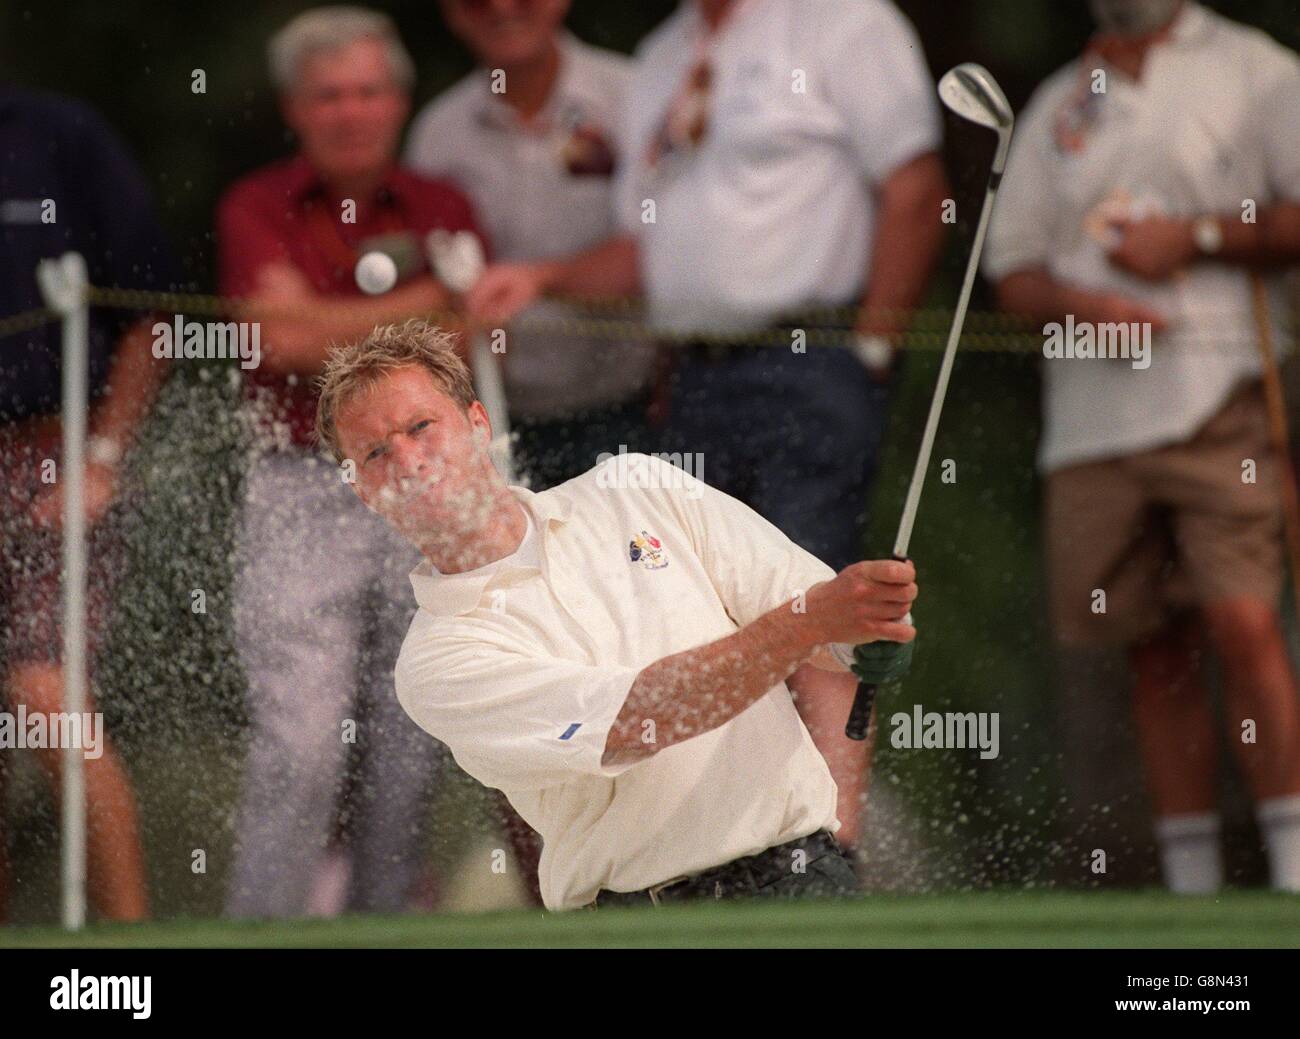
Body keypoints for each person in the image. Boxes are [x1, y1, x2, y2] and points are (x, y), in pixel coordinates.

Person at [460, 0, 950, 859]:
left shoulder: (843, 22)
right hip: (692, 376)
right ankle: (736, 854)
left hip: (811, 355)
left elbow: (916, 188)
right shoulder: (662, 56)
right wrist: (543, 276)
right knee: (698, 613)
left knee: (814, 597)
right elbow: (648, 252)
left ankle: (834, 846)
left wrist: (870, 350)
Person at [314, 320, 918, 910]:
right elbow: (641, 719)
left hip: (806, 881)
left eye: (422, 427)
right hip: (638, 921)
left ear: (477, 424)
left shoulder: (637, 484)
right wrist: (814, 624)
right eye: (374, 454)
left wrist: (865, 634)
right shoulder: (435, 664)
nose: (408, 461)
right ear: (361, 490)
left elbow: (820, 620)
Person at [984, 0, 1300, 891]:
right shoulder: (1057, 101)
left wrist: (1193, 238)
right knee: (1149, 644)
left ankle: (1292, 872)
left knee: (1242, 621)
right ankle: (1192, 883)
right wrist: (1089, 310)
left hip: (1222, 395)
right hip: (1094, 422)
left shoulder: (1254, 68)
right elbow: (1014, 272)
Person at [215, 6, 484, 918]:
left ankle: (383, 933)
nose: (351, 110)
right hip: (298, 481)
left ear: (400, 100)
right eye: (329, 94)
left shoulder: (445, 201)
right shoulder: (253, 204)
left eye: (370, 90)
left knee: (411, 742)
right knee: (301, 743)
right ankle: (261, 935)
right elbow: (278, 343)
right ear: (294, 108)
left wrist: (318, 321)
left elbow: (454, 340)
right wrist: (422, 301)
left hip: (420, 491)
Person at [0, 85, 181, 921]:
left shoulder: (58, 131)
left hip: (56, 453)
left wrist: (102, 456)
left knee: (44, 694)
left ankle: (128, 940)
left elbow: (149, 311)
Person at [405, 0, 658, 491]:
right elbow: (437, 287)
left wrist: (541, 278)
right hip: (495, 421)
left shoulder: (635, 95)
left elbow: (663, 252)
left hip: (635, 407)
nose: (501, 7)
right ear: (453, 13)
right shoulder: (438, 134)